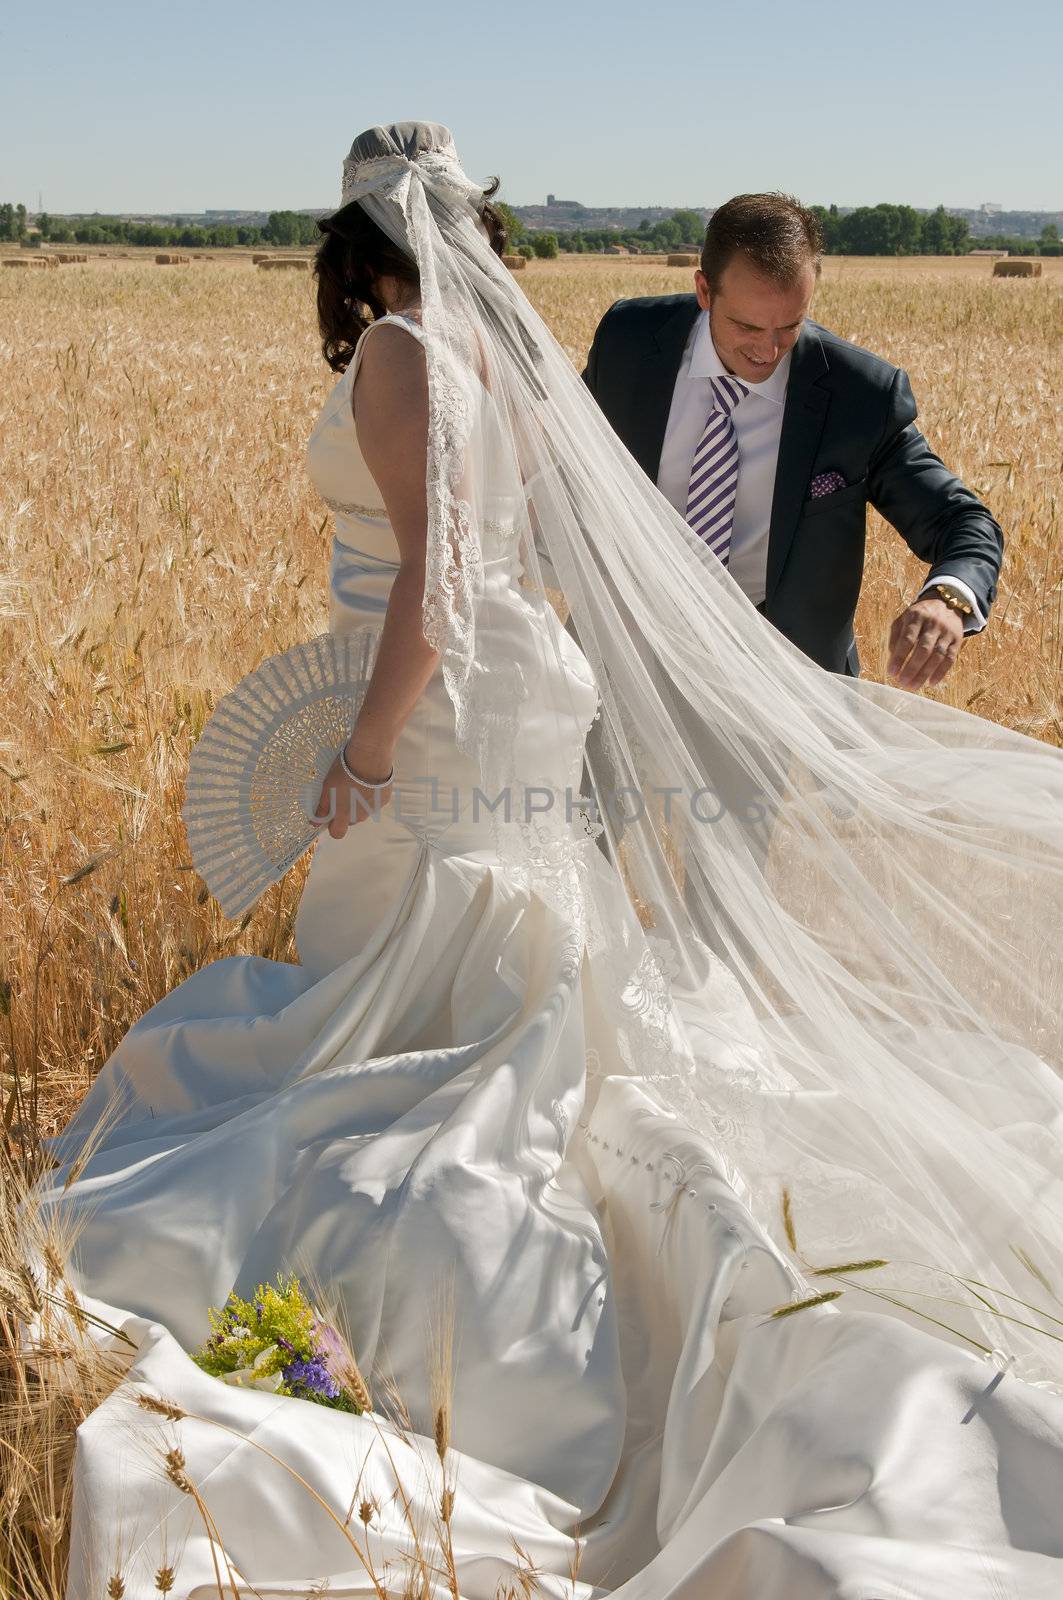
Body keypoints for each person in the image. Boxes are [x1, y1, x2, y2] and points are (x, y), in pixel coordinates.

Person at [26, 125, 1063, 1600]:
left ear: (356, 237)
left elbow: (437, 578)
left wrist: (370, 746)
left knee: (401, 1005)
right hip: (528, 689)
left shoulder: (398, 350)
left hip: (448, 706)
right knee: (513, 971)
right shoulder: (513, 356)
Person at [582, 192, 1004, 684]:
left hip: (777, 687)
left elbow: (963, 521)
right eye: (746, 325)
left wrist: (948, 599)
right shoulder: (628, 341)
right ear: (704, 290)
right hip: (619, 656)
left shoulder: (859, 396)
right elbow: (549, 451)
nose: (767, 350)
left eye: (790, 326)